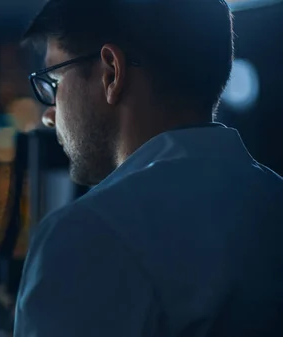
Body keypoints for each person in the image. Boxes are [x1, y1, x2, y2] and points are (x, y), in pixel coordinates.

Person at [15, 0, 283, 336]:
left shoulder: (87, 235)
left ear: (111, 73)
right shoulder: (273, 200)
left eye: (54, 82)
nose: (48, 114)